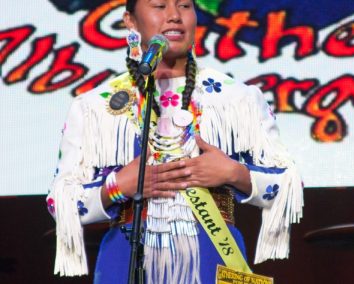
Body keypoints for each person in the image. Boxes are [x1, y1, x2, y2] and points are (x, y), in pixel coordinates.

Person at [46, 0, 303, 283]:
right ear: (130, 21)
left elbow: (288, 186)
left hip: (213, 258)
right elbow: (60, 202)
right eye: (159, 6)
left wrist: (234, 173)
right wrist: (117, 187)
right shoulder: (96, 106)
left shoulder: (236, 99)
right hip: (126, 258)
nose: (174, 16)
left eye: (184, 6)